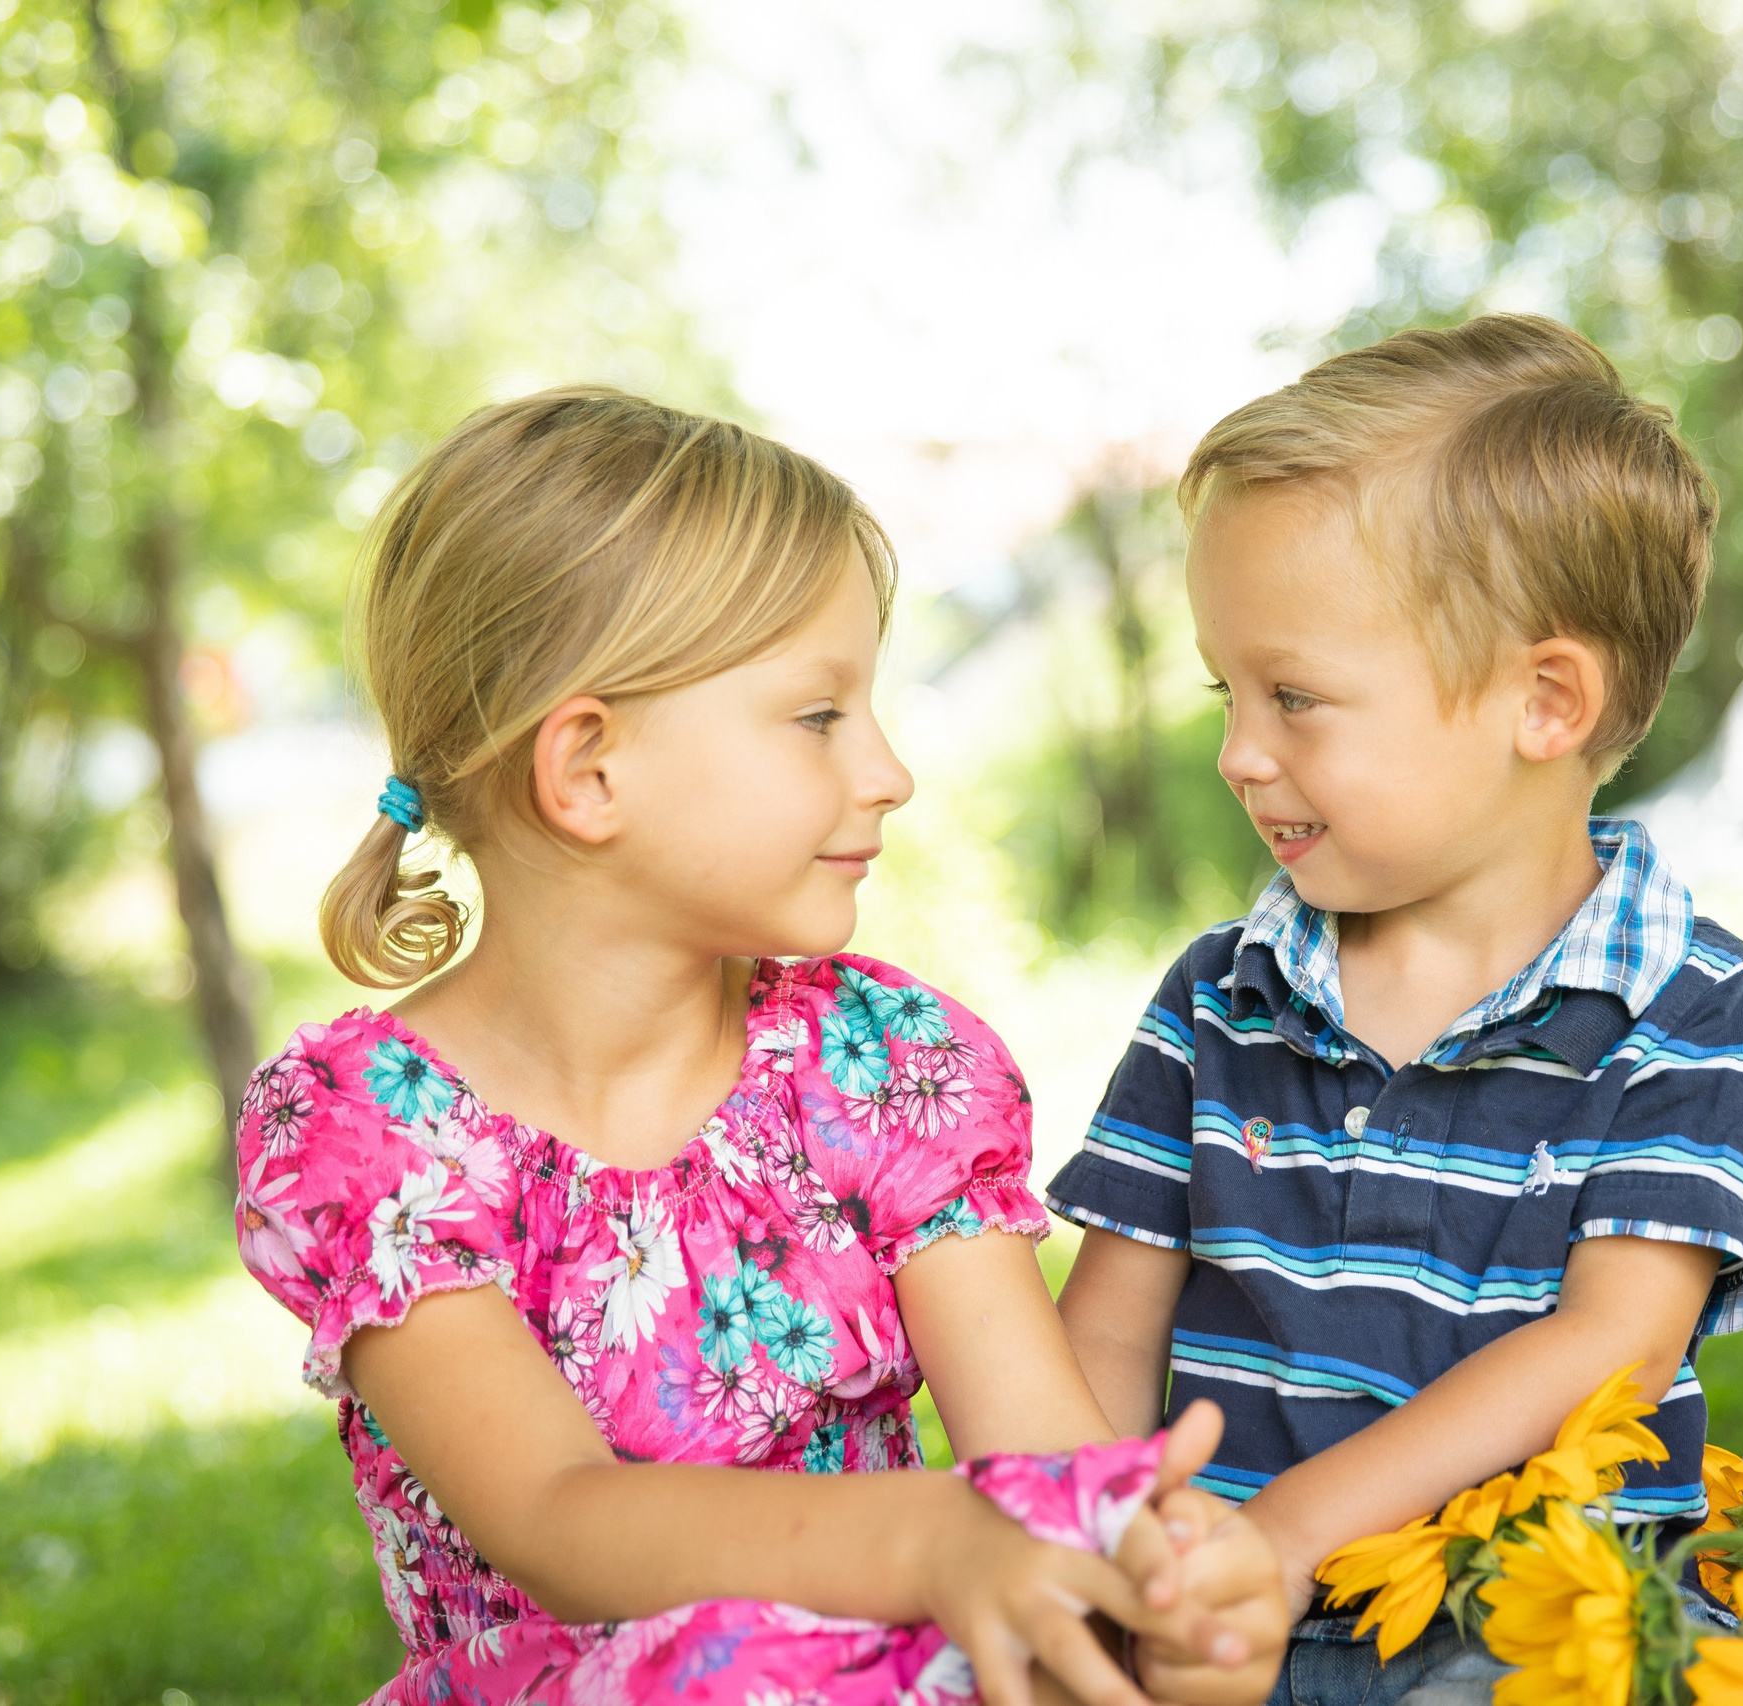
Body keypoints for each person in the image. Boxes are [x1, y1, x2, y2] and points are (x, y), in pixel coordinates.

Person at [232, 389, 1287, 1706]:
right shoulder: (368, 1128)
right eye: (818, 715)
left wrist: (1154, 1583)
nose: (890, 769)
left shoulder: (886, 1060)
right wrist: (940, 1539)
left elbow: (1048, 1469)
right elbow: (565, 1522)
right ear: (589, 769)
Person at [1045, 316, 1743, 1706]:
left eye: (1297, 698)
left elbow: (1610, 1341)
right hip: (1214, 1618)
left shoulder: (1684, 1002)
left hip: (1522, 1626)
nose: (1237, 753)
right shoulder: (1219, 999)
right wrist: (1118, 1549)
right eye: (1229, 690)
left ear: (1545, 700)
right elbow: (1107, 1329)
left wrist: (1297, 1527)